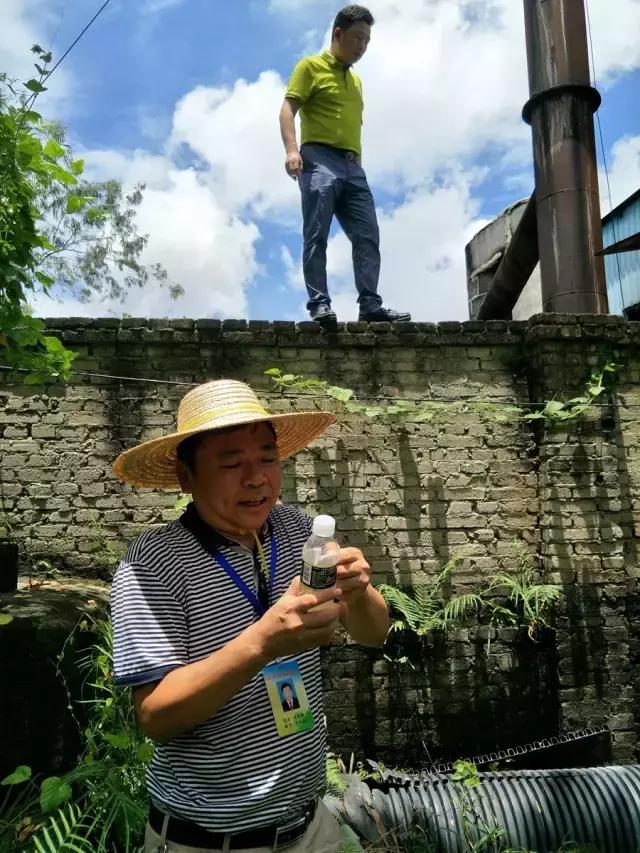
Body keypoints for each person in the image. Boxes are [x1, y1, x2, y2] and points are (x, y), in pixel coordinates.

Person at [111, 378, 389, 853]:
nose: (256, 477)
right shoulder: (153, 562)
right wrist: (263, 642)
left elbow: (374, 634)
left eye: (266, 457)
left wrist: (359, 594)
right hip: (208, 840)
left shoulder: (298, 529)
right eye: (231, 462)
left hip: (309, 826)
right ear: (186, 477)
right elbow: (155, 716)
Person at [279, 5, 411, 328]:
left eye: (367, 40)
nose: (362, 46)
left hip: (353, 166)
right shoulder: (310, 67)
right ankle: (320, 304)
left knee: (367, 234)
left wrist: (359, 165)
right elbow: (287, 109)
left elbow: (355, 129)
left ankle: (370, 304)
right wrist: (292, 150)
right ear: (338, 33)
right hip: (317, 159)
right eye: (357, 38)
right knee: (317, 233)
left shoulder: (357, 83)